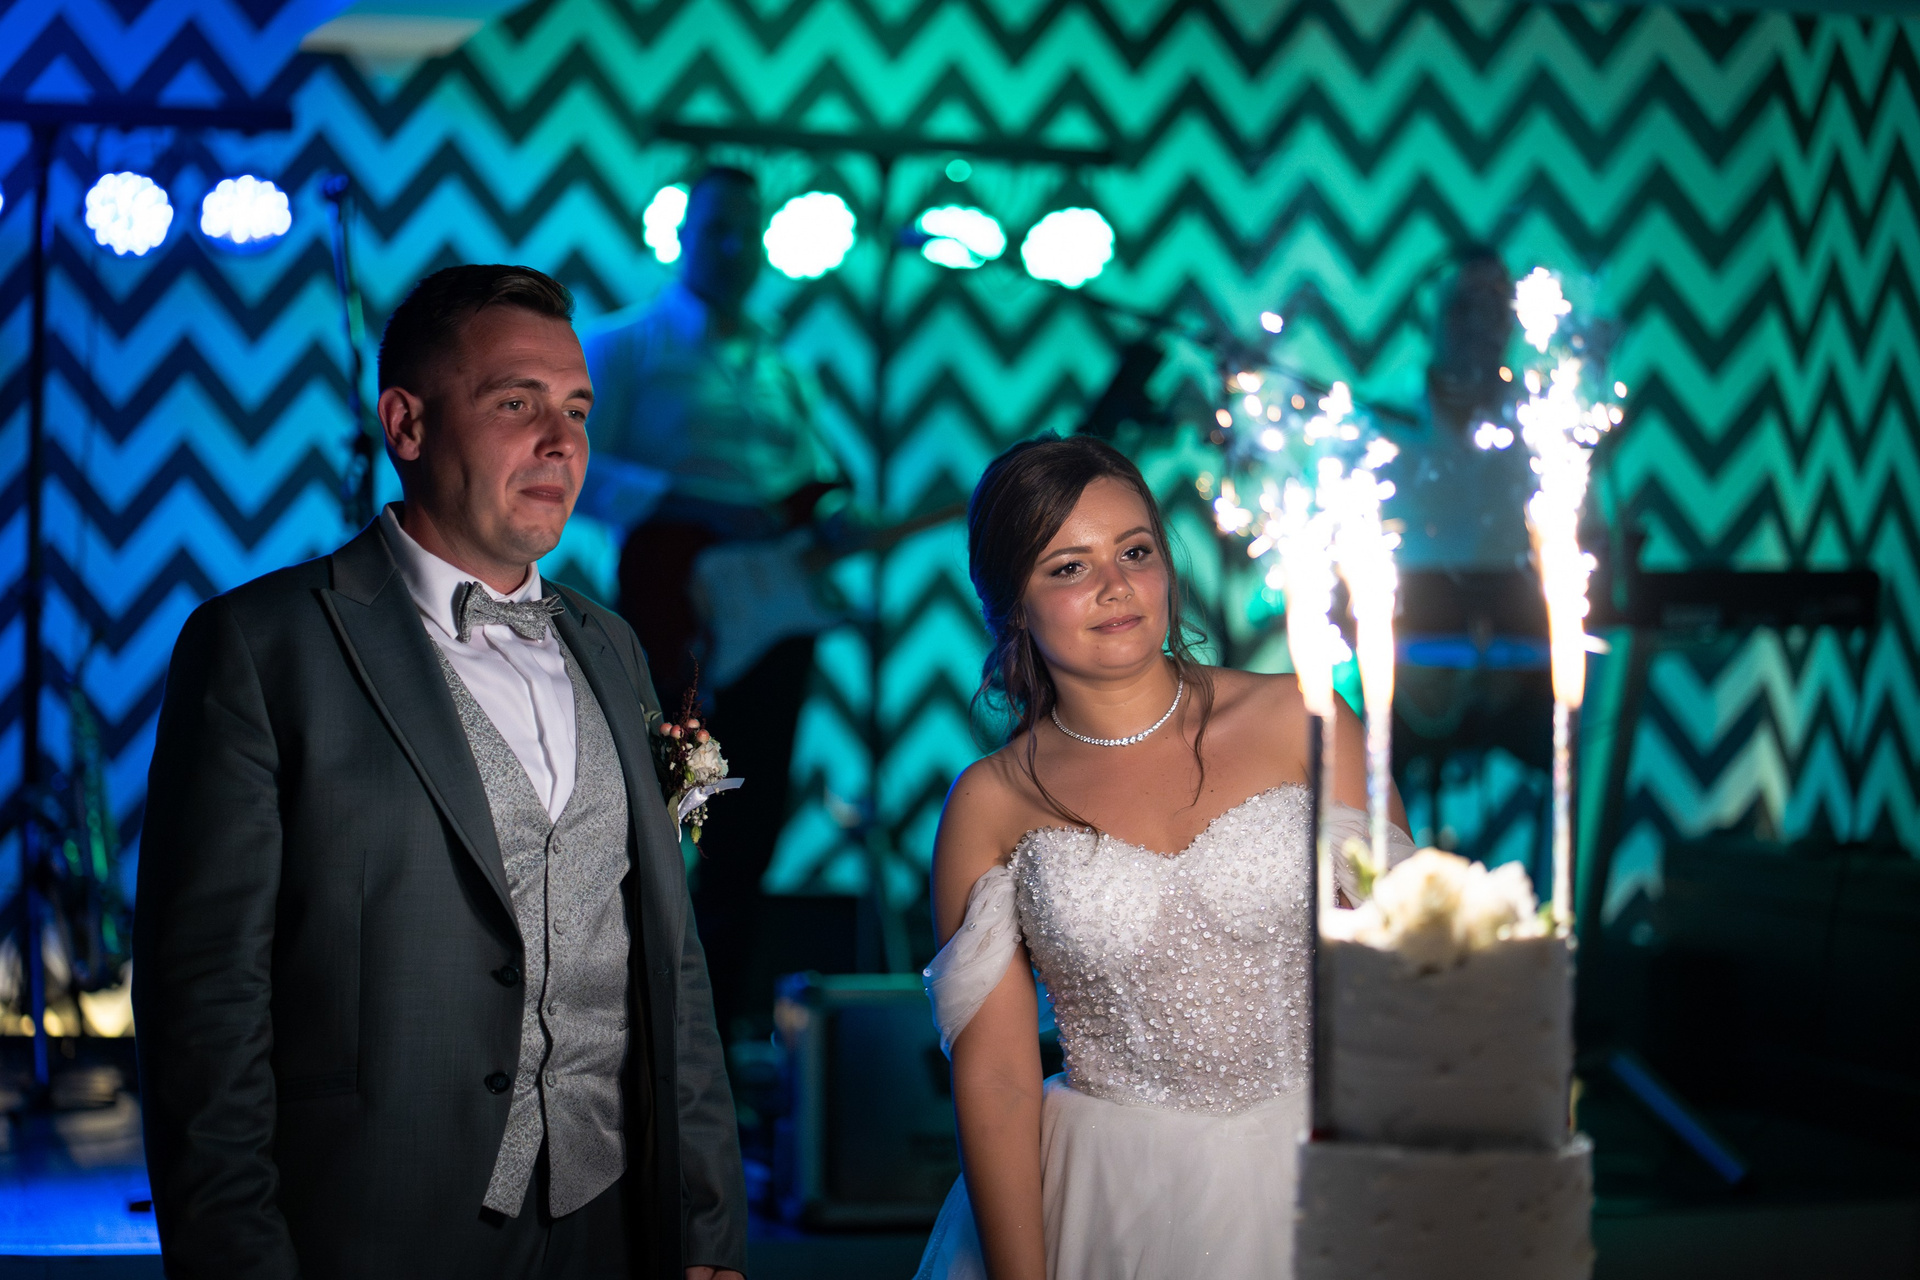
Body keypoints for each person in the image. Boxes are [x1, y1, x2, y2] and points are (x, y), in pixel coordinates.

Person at [133, 264, 747, 1280]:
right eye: (516, 403)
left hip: (615, 1229)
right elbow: (205, 1003)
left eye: (577, 409)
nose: (562, 441)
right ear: (406, 424)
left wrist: (706, 1218)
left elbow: (668, 963)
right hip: (373, 1231)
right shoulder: (262, 645)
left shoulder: (614, 646)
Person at [914, 436, 1413, 1280]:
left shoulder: (1303, 720)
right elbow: (997, 1078)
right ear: (1013, 605)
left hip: (1328, 1164)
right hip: (1110, 1194)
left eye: (1135, 552)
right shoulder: (991, 801)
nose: (1115, 586)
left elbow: (1407, 974)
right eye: (1069, 567)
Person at [580, 166, 844, 1042]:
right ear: (682, 235)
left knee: (749, 825)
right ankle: (628, 1023)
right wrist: (692, 505)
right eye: (716, 229)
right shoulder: (625, 347)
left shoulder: (782, 367)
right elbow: (578, 468)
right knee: (653, 813)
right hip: (673, 614)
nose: (734, 248)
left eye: (747, 231)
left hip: (769, 624)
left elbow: (807, 491)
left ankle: (716, 1033)